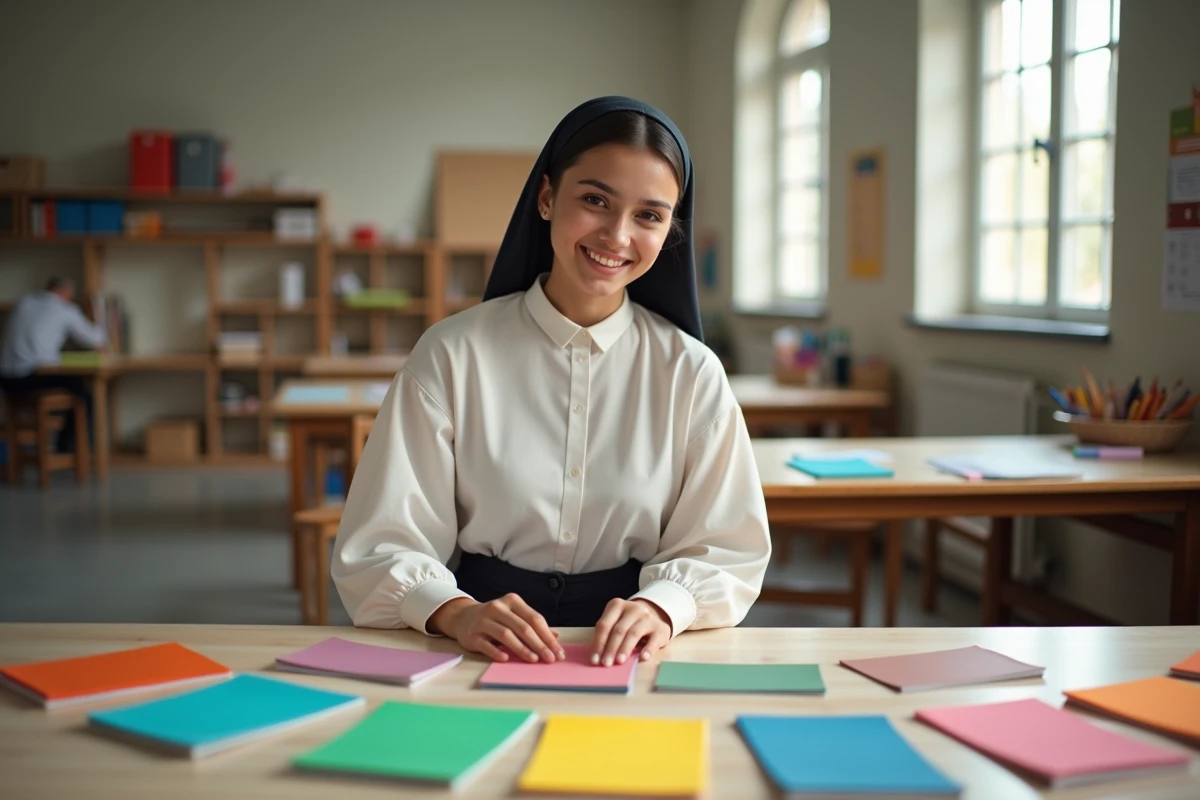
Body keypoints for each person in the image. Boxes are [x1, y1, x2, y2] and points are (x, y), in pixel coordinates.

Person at [333, 96, 771, 668]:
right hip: (477, 644)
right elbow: (382, 541)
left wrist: (666, 606)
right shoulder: (452, 354)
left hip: (632, 654)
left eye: (649, 215)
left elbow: (727, 547)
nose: (617, 236)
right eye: (595, 200)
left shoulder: (690, 371)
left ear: (669, 231)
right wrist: (455, 610)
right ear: (546, 197)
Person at [0, 277, 106, 451]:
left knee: (70, 389)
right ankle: (69, 449)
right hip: (30, 376)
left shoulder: (23, 303)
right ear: (66, 292)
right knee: (83, 394)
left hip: (5, 380)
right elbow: (95, 339)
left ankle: (51, 446)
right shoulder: (64, 309)